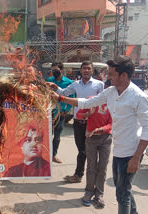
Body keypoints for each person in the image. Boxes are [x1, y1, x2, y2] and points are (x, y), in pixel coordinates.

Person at [52, 55, 148, 214]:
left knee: (122, 194)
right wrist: (61, 98)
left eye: (111, 74)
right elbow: (87, 102)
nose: (107, 76)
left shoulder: (138, 97)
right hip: (119, 150)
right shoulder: (111, 92)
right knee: (123, 187)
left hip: (132, 152)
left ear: (123, 76)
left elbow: (147, 128)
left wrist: (137, 158)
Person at [49, 61, 104, 183]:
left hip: (93, 122)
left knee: (91, 151)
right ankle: (79, 175)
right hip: (78, 122)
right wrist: (55, 87)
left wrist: (92, 111)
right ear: (81, 70)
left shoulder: (99, 85)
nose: (86, 71)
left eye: (88, 68)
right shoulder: (76, 84)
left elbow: (103, 103)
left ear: (92, 70)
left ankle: (89, 178)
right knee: (81, 149)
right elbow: (63, 93)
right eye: (84, 68)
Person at [77, 80, 112, 208]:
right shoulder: (92, 100)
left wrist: (101, 129)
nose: (110, 92)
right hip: (91, 139)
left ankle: (99, 194)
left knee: (102, 168)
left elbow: (111, 123)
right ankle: (89, 192)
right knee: (91, 167)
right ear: (104, 88)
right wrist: (88, 114)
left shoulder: (113, 104)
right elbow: (78, 114)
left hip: (106, 139)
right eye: (108, 89)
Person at [46, 62, 74, 163]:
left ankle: (53, 155)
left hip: (60, 113)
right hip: (49, 112)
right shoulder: (49, 81)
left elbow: (72, 98)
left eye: (56, 70)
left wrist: (66, 111)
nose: (54, 72)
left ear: (61, 70)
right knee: (47, 135)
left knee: (57, 135)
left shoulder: (68, 82)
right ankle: (45, 154)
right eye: (52, 70)